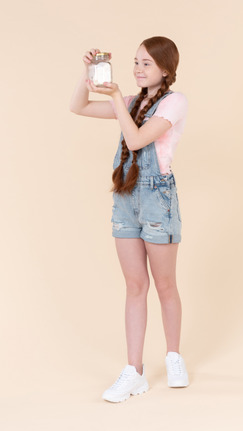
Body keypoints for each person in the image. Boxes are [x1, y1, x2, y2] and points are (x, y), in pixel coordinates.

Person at [70, 36, 189, 403]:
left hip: (157, 198)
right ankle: (134, 371)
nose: (138, 69)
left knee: (165, 284)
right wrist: (87, 74)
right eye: (136, 62)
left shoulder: (175, 102)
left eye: (147, 64)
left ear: (165, 69)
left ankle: (173, 356)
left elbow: (136, 140)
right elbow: (78, 107)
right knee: (135, 285)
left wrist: (118, 98)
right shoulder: (133, 101)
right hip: (125, 196)